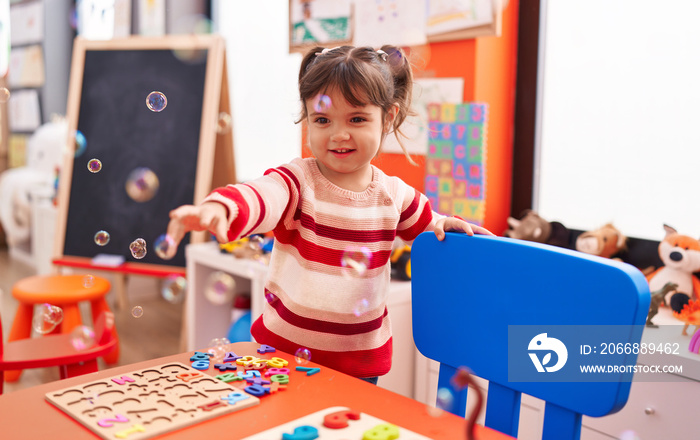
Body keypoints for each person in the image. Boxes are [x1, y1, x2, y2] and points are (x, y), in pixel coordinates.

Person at [165, 45, 494, 384]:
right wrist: (222, 206)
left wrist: (442, 224)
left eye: (357, 119)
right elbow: (263, 194)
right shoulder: (298, 181)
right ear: (307, 119)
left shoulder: (395, 195)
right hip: (282, 357)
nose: (339, 134)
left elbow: (428, 226)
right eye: (322, 119)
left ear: (389, 117)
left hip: (359, 368)